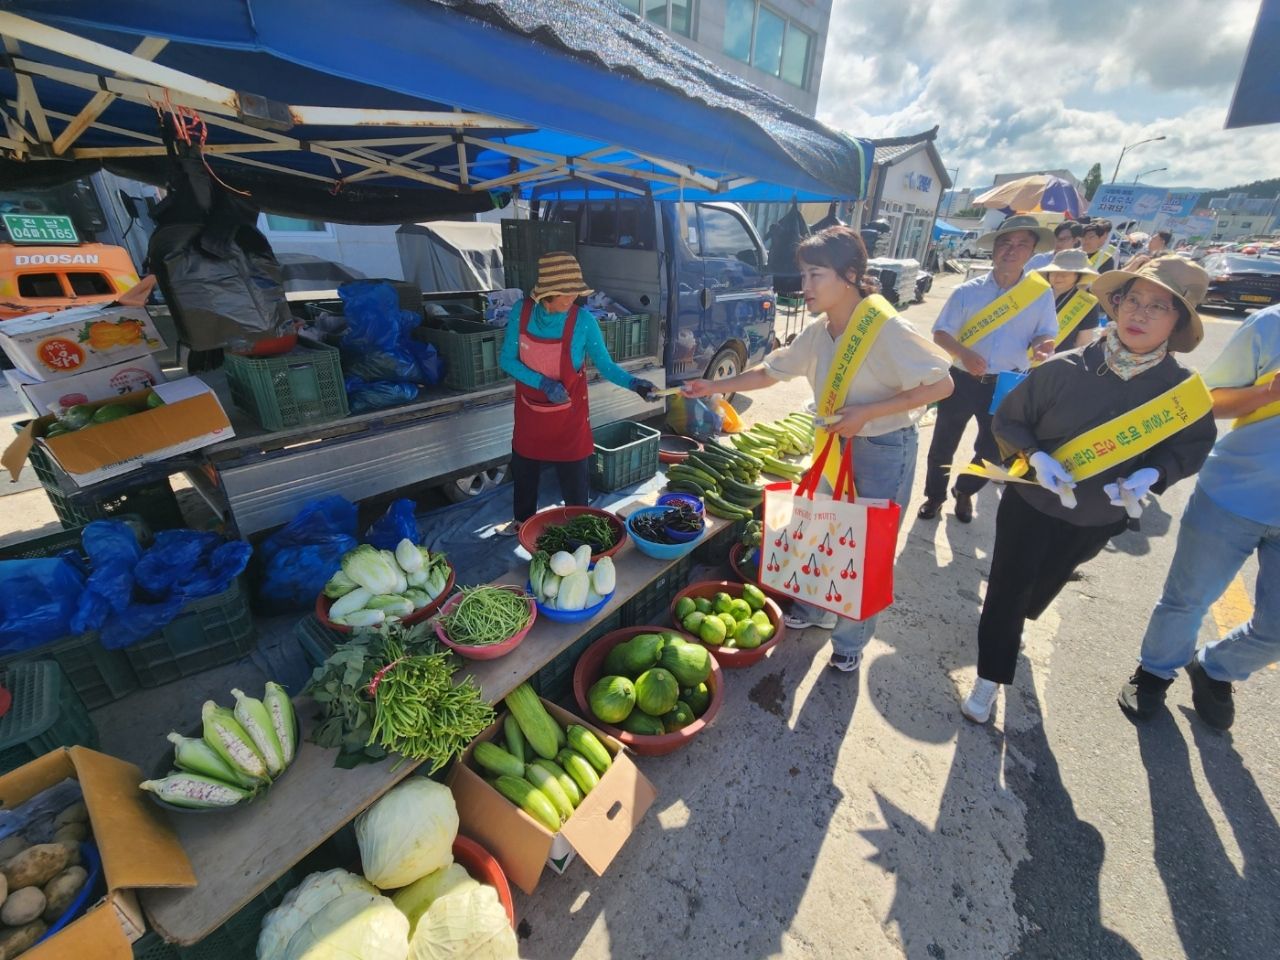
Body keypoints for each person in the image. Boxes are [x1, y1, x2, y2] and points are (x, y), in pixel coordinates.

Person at [682, 226, 954, 672]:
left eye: (814, 275)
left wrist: (869, 412)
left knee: (866, 546)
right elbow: (771, 372)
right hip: (832, 442)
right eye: (803, 275)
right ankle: (814, 609)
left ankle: (849, 641)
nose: (803, 286)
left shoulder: (886, 327)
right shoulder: (818, 331)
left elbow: (942, 384)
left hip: (882, 446)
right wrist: (714, 385)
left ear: (849, 274)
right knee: (823, 530)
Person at [961, 258, 1217, 723]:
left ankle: (1017, 619)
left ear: (1177, 321)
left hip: (1099, 516)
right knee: (1007, 588)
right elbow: (1010, 421)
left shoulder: (1180, 394)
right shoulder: (1066, 367)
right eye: (1132, 300)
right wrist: (1036, 457)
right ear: (1115, 305)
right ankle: (990, 674)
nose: (1139, 314)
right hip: (1032, 501)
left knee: (1045, 584)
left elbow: (1192, 445)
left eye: (1158, 307)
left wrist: (1155, 475)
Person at [1117, 304, 1280, 729]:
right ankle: (1154, 671)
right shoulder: (1271, 325)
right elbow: (1206, 401)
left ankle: (1214, 668)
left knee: (1276, 630)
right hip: (1232, 496)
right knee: (1186, 600)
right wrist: (1269, 393)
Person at [498, 252, 655, 533]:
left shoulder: (583, 321)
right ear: (548, 292)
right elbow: (507, 360)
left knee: (574, 479)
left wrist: (636, 384)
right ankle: (522, 522)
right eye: (567, 294)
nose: (574, 299)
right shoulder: (520, 313)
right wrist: (542, 383)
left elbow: (605, 366)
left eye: (576, 293)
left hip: (568, 417)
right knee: (524, 471)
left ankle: (580, 526)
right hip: (530, 412)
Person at [918, 214, 1058, 523]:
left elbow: (1046, 331)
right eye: (1005, 243)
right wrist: (964, 354)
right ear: (994, 249)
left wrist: (1044, 344)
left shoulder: (1040, 294)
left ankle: (965, 489)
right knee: (943, 443)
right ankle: (934, 497)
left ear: (1032, 251)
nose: (1012, 250)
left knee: (995, 450)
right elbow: (941, 333)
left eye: (1021, 244)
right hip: (961, 379)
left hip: (1007, 383)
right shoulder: (967, 291)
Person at [1036, 249, 1104, 352]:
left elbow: (1082, 342)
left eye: (1064, 273)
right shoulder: (1038, 294)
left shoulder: (1086, 302)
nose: (1058, 277)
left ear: (1078, 275)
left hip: (1057, 360)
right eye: (1054, 272)